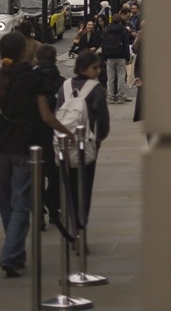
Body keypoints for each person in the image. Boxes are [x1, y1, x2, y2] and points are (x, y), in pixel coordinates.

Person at [0, 32, 71, 277]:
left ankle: (15, 252)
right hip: (24, 145)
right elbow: (46, 115)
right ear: (24, 51)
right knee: (21, 203)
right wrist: (66, 132)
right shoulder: (32, 78)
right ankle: (11, 255)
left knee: (7, 205)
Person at [59, 50, 111, 238]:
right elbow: (103, 120)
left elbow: (58, 112)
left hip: (65, 144)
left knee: (70, 186)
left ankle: (72, 225)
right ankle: (80, 227)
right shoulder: (95, 89)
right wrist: (99, 139)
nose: (98, 71)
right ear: (83, 68)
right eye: (94, 67)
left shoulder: (64, 86)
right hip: (87, 144)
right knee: (85, 187)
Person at [33, 44, 65, 226]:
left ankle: (39, 210)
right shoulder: (61, 82)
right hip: (54, 132)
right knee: (54, 174)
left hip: (35, 132)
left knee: (35, 174)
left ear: (37, 59)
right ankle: (54, 210)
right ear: (54, 59)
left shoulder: (32, 80)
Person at [101, 14, 133, 103]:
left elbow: (104, 44)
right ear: (120, 21)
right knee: (121, 77)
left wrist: (104, 56)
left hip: (110, 56)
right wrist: (127, 57)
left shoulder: (107, 30)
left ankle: (110, 96)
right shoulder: (123, 30)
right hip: (121, 55)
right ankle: (120, 96)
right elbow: (126, 44)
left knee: (110, 77)